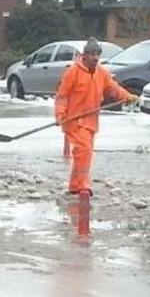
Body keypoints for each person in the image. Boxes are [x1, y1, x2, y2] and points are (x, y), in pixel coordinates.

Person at [55, 38, 139, 195]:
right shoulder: (73, 72)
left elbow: (113, 88)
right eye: (92, 54)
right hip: (73, 120)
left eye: (97, 55)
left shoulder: (101, 73)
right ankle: (83, 185)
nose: (95, 58)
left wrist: (127, 96)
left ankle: (74, 186)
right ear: (84, 55)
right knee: (84, 150)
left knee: (83, 153)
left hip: (91, 121)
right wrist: (60, 114)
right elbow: (62, 96)